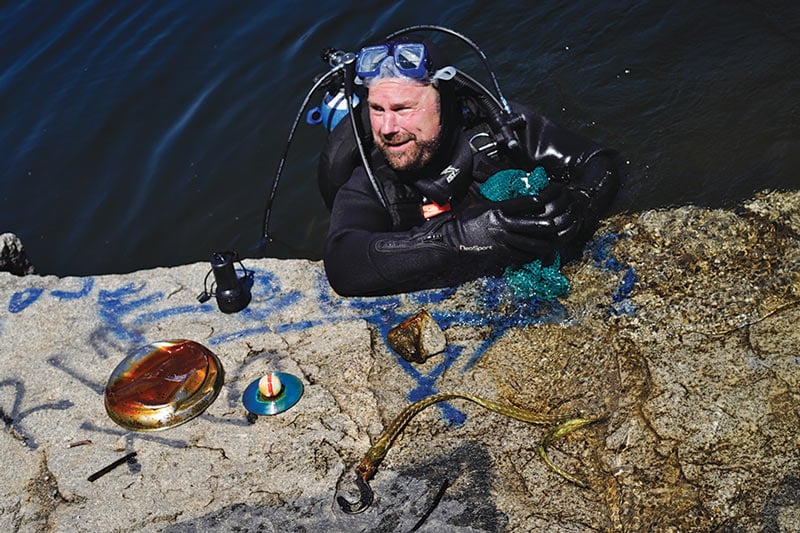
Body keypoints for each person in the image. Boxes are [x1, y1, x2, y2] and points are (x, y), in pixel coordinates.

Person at [318, 37, 620, 297]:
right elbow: (343, 264)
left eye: (402, 109)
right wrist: (459, 238)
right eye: (377, 109)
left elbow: (598, 162)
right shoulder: (374, 179)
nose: (386, 128)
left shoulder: (496, 130)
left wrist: (581, 204)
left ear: (444, 102)